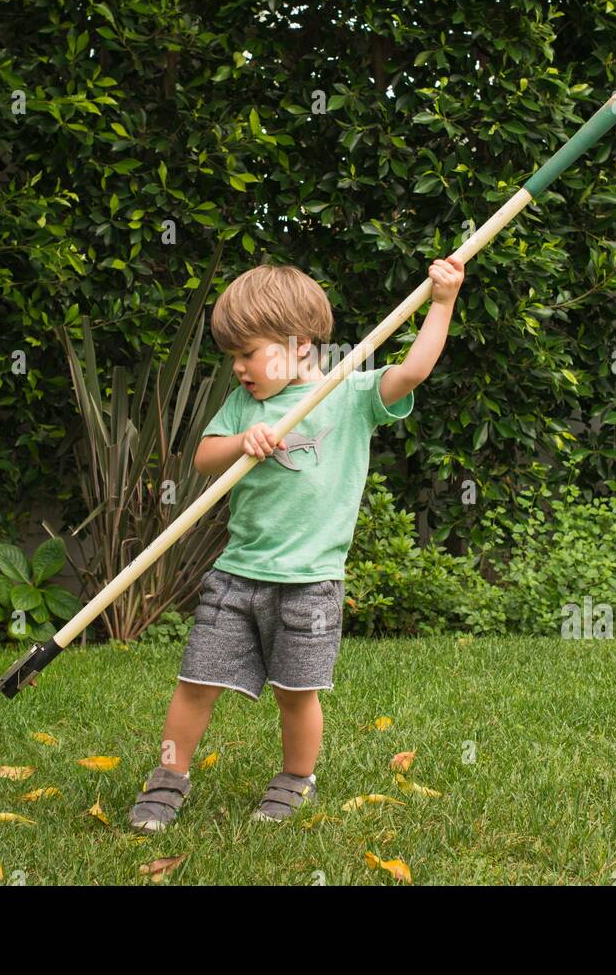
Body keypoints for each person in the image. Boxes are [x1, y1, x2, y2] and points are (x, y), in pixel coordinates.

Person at [129, 255, 465, 830]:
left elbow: (412, 372)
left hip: (310, 584)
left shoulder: (350, 394)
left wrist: (442, 302)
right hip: (236, 575)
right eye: (233, 356)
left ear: (301, 344)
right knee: (195, 683)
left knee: (296, 692)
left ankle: (294, 778)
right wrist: (243, 441)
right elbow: (204, 458)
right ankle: (168, 778)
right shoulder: (246, 406)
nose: (238, 368)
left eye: (248, 353)